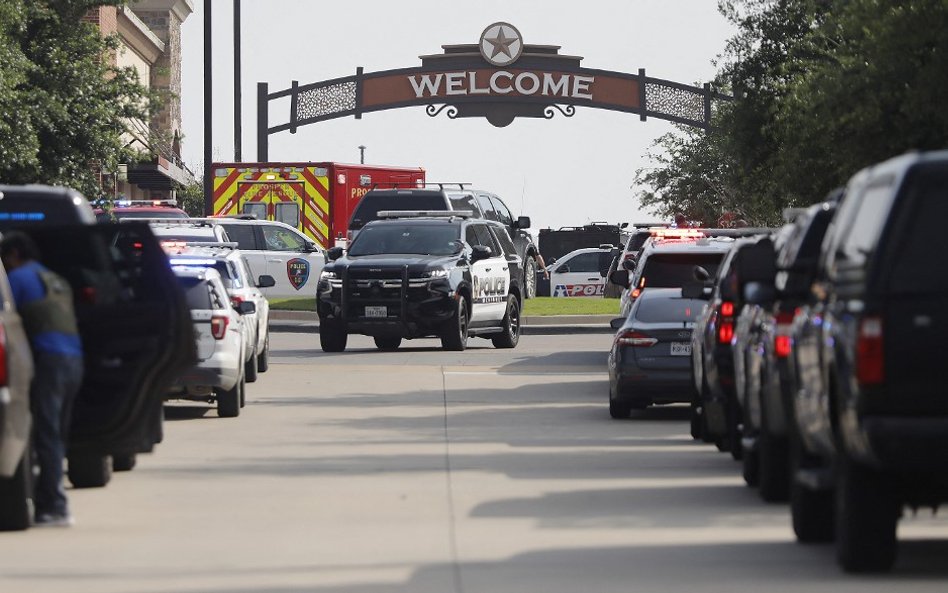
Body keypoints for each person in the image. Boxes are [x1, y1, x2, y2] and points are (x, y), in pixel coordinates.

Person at [0, 231, 84, 527]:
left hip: (48, 362)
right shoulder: (53, 279)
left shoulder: (19, 279)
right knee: (56, 436)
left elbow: (6, 316)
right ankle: (50, 499)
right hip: (73, 361)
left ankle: (55, 507)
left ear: (13, 256)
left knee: (47, 436)